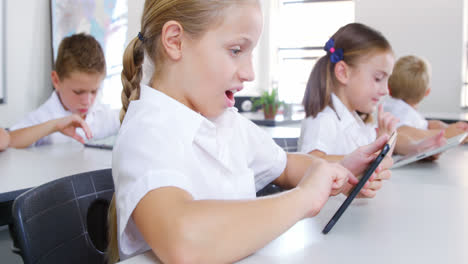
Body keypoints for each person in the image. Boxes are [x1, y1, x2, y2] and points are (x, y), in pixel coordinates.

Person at [108, 2, 392, 263]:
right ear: (175, 41)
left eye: (251, 53)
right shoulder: (147, 131)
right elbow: (184, 241)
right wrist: (304, 198)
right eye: (236, 50)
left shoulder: (227, 122)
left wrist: (340, 171)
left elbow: (286, 165)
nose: (250, 72)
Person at [298, 23, 443, 159]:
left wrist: (417, 148)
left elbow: (392, 141)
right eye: (378, 78)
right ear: (343, 73)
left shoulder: (357, 119)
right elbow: (312, 163)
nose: (386, 90)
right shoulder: (322, 120)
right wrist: (368, 161)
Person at [9, 33, 119, 148]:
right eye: (78, 92)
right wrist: (53, 126)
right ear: (56, 81)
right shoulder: (42, 117)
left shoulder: (102, 114)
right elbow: (8, 141)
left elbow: (132, 118)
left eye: (94, 91)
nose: (87, 101)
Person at [383, 55, 468, 145]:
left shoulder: (392, 107)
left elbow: (424, 125)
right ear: (427, 92)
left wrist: (445, 127)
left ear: (389, 88)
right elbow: (400, 131)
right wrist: (445, 134)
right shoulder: (401, 112)